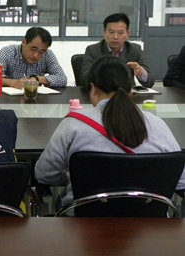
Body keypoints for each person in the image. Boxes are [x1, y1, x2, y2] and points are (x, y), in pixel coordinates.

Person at [35, 56, 185, 209]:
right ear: (131, 90)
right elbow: (181, 181)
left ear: (93, 89)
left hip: (83, 219)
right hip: (149, 219)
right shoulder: (158, 125)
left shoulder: (73, 124)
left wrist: (74, 176)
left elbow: (44, 174)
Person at [80, 12, 154, 88]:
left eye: (120, 33)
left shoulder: (134, 50)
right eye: (111, 32)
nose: (115, 37)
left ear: (127, 34)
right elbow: (84, 78)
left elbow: (150, 82)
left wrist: (141, 72)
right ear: (104, 32)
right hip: (102, 92)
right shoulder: (93, 50)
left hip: (126, 93)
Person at [0, 27, 67, 88]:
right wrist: (14, 83)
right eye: (33, 49)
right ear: (24, 42)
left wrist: (37, 79)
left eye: (41, 51)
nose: (36, 55)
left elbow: (62, 78)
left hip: (36, 99)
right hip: (8, 99)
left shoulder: (47, 55)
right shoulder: (7, 53)